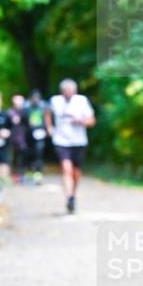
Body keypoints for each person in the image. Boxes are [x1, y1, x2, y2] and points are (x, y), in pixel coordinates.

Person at [45, 79, 95, 214]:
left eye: (71, 90)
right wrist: (49, 127)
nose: (69, 93)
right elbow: (47, 112)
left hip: (79, 141)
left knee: (76, 172)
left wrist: (81, 121)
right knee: (66, 169)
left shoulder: (82, 101)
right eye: (66, 90)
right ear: (62, 91)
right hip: (61, 141)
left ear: (75, 91)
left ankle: (73, 194)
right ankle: (69, 197)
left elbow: (92, 121)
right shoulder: (55, 100)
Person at [24, 90, 49, 183]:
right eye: (34, 97)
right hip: (28, 136)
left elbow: (47, 121)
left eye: (37, 97)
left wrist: (46, 129)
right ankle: (28, 173)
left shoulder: (43, 108)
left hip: (39, 135)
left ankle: (38, 174)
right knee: (28, 154)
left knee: (39, 154)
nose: (35, 99)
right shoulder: (26, 109)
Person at [8, 94, 28, 183]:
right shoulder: (10, 112)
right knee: (14, 158)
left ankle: (22, 174)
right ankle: (14, 174)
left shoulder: (25, 112)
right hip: (13, 138)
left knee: (23, 157)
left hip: (24, 138)